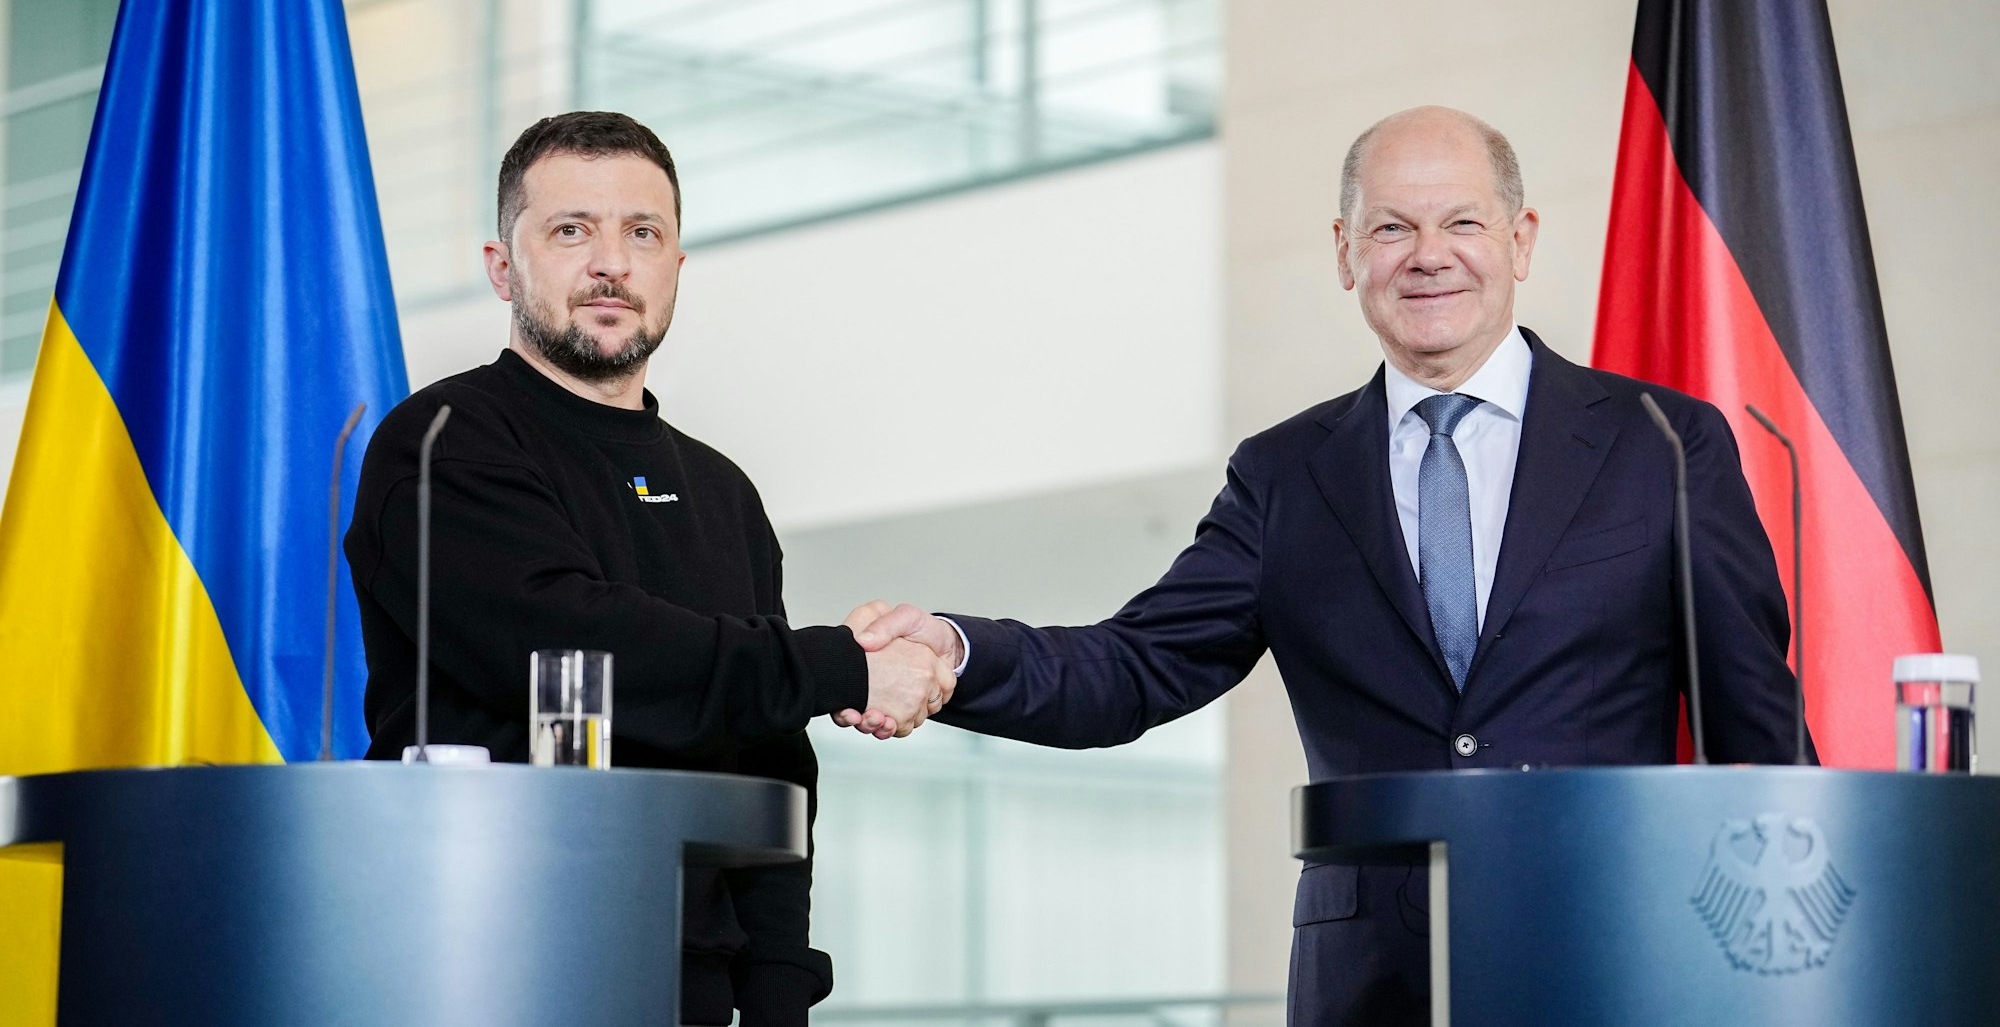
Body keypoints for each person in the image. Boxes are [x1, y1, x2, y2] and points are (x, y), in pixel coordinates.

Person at [839, 106, 1812, 1025]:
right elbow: (1134, 668)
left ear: (1517, 240)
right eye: (1390, 228)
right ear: (1345, 254)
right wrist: (953, 652)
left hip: (1615, 953)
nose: (1427, 255)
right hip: (1368, 986)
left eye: (1460, 221)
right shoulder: (1282, 476)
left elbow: (1756, 729)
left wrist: (1797, 969)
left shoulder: (1662, 444)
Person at [344, 111, 953, 1026]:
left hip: (696, 983)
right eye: (571, 230)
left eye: (643, 233)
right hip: (476, 961)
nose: (611, 263)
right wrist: (843, 665)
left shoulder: (723, 491)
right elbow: (568, 643)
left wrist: (782, 988)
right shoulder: (440, 443)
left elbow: (773, 759)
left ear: (675, 266)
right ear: (502, 266)